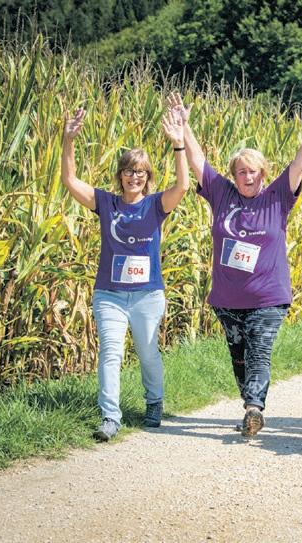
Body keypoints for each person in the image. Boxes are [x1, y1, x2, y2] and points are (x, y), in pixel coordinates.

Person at [168, 93, 302, 437]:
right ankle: (250, 406)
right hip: (228, 300)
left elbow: (300, 164)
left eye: (253, 171)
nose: (247, 176)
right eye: (241, 171)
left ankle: (254, 408)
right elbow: (197, 161)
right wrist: (184, 127)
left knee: (259, 351)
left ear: (263, 174)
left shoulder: (277, 196)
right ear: (233, 176)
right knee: (239, 357)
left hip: (268, 297)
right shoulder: (221, 194)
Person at [61, 107, 190, 442]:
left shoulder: (156, 205)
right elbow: (70, 181)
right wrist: (68, 140)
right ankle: (110, 417)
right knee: (111, 352)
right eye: (130, 171)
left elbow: (183, 185)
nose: (135, 177)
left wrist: (179, 144)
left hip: (148, 294)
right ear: (120, 175)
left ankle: (154, 402)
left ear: (148, 177)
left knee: (148, 353)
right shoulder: (106, 203)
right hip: (110, 294)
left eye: (141, 172)